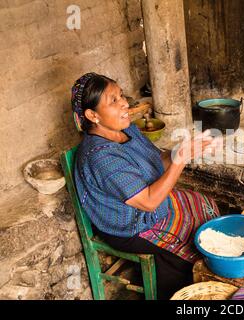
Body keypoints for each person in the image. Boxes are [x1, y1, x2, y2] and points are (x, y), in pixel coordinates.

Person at [71, 73, 222, 300]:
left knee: (204, 206)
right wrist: (180, 160)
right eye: (113, 101)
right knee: (190, 248)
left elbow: (155, 161)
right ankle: (177, 291)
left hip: (148, 201)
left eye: (121, 95)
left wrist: (181, 151)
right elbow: (149, 203)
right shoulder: (100, 157)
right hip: (128, 225)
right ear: (93, 115)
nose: (124, 103)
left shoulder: (126, 130)